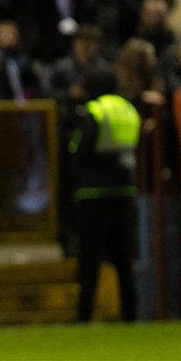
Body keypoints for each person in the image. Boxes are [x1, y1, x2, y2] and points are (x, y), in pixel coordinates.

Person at [67, 75, 141, 323]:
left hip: (93, 194)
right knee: (123, 261)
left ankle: (84, 316)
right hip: (125, 192)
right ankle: (131, 316)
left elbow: (79, 149)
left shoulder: (96, 110)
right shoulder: (129, 110)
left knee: (90, 260)